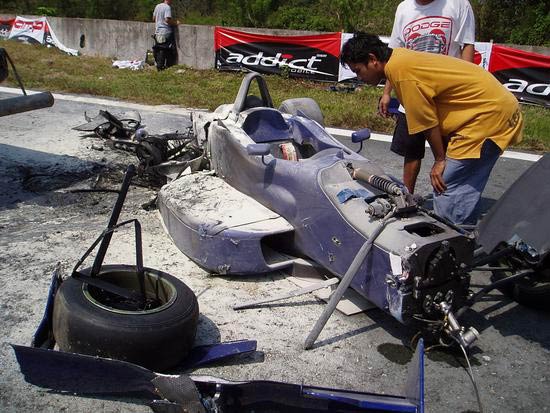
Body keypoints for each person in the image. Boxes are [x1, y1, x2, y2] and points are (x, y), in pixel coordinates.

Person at [340, 33, 523, 225]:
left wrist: (440, 160)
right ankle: (462, 227)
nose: (359, 77)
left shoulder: (403, 73)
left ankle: (454, 235)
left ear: (372, 59)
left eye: (358, 70)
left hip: (488, 118)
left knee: (446, 187)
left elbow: (426, 121)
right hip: (494, 109)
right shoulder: (399, 59)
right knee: (461, 184)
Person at [379, 0, 476, 194]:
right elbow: (394, 55)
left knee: (449, 153)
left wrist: (467, 84)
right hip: (411, 96)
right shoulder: (404, 8)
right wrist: (386, 92)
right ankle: (407, 197)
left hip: (445, 96)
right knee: (411, 152)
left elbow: (467, 45)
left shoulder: (459, 4)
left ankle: (448, 200)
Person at [152, 0, 179, 71]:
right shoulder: (167, 7)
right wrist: (175, 23)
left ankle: (159, 65)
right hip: (166, 31)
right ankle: (167, 65)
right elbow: (167, 20)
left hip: (157, 32)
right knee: (168, 49)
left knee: (159, 48)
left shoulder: (157, 6)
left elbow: (153, 18)